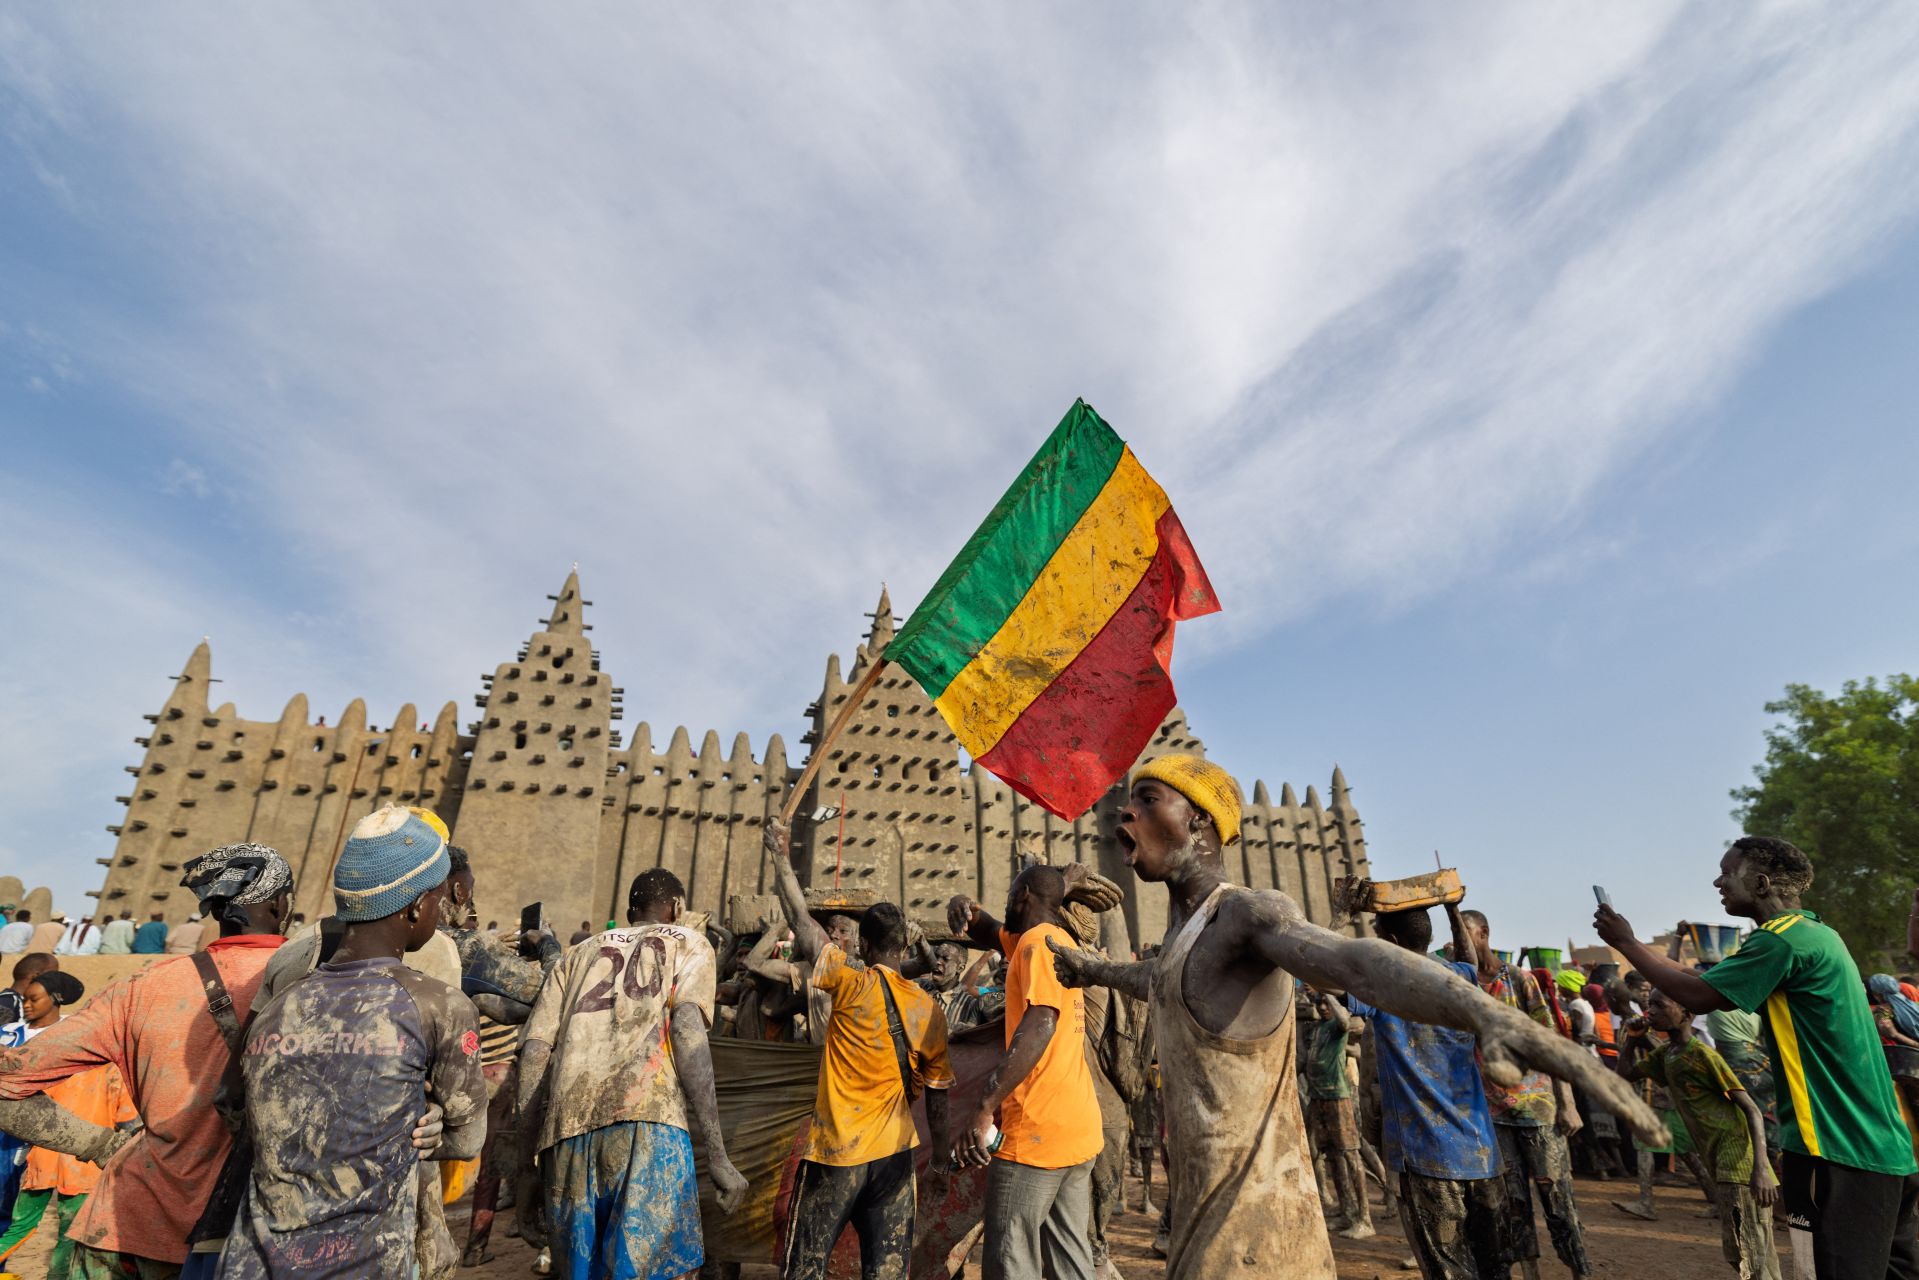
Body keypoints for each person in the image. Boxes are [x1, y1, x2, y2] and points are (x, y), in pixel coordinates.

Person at [1047, 755, 1657, 1280]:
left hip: (1261, 1237)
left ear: (1200, 819)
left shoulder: (1250, 915)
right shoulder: (1185, 933)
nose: (1125, 815)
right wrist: (1087, 969)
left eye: (1147, 800)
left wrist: (1480, 1009)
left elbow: (1353, 962)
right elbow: (1153, 979)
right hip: (1204, 1230)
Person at [1596, 834, 1919, 1279]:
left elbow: (1700, 994)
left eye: (1727, 873)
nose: (1718, 881)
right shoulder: (1815, 934)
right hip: (1886, 1149)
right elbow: (1696, 976)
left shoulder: (1779, 940)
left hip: (1834, 1147)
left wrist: (1627, 944)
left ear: (1762, 883)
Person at [0, 843, 297, 1277]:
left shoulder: (145, 988)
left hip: (129, 1226)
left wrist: (100, 1145)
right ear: (279, 902)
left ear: (216, 911)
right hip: (260, 1235)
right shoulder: (322, 988)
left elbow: (8, 1082)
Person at [214, 808, 486, 1278]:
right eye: (439, 900)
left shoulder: (282, 1000)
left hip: (251, 1261)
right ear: (416, 907)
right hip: (363, 1260)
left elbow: (233, 1102)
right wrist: (423, 1125)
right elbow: (466, 1138)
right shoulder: (438, 1004)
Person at [519, 867, 748, 1280]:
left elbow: (535, 1054)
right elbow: (686, 1029)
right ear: (677, 908)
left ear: (629, 913)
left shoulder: (577, 954)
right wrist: (717, 1153)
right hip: (652, 1123)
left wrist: (526, 1167)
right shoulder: (691, 943)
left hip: (568, 1131)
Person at [764, 821, 953, 1280]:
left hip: (836, 1154)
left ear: (864, 945)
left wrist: (779, 854)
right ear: (902, 945)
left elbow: (801, 924)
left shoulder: (848, 982)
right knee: (886, 1273)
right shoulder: (927, 1009)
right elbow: (940, 1095)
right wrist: (942, 1160)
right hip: (895, 1159)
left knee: (804, 1269)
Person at [948, 864, 1103, 1280]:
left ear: (1024, 896)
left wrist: (984, 1107)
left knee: (1011, 1261)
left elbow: (1041, 1024)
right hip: (1076, 1131)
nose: (1004, 900)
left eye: (1010, 892)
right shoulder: (1054, 940)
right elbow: (991, 930)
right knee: (1071, 1261)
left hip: (1035, 1136)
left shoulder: (1035, 947)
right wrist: (967, 911)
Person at [1350, 903, 1507, 1280]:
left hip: (1426, 1158)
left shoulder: (1380, 984)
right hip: (1482, 1153)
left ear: (1389, 940)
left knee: (1448, 1271)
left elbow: (1319, 975)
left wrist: (1340, 917)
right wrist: (1451, 907)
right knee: (1493, 1268)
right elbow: (1470, 959)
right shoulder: (1461, 976)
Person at [1460, 909, 1591, 1280]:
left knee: (1558, 1199)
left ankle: (1580, 1271)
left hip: (1536, 1108)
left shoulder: (1519, 980)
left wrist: (1567, 1104)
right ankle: (1531, 1272)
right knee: (1512, 1202)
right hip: (1492, 1112)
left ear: (1483, 933)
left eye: (1464, 933)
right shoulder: (1461, 984)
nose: (1458, 942)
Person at [1619, 988, 1781, 1279]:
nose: (1650, 1011)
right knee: (1755, 1254)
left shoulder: (1703, 1056)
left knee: (1747, 1253)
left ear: (1687, 1013)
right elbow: (1626, 1073)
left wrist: (1761, 1170)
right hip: (1720, 1162)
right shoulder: (1667, 1055)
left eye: (1659, 1005)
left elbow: (1752, 1111)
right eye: (1648, 1005)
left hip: (1739, 1162)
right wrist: (1631, 1040)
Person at [0, 972, 139, 1280]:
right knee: (70, 1233)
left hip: (44, 1158)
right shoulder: (109, 1066)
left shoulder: (54, 1056)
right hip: (85, 1163)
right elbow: (128, 1117)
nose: (26, 1005)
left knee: (19, 1227)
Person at [1299, 986, 1374, 1240]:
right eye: (1319, 1003)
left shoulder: (1336, 1027)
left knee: (1351, 1157)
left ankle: (1364, 1218)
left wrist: (1329, 993)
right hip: (1319, 1097)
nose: (1322, 1007)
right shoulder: (1318, 1030)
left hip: (1337, 1098)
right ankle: (1347, 1211)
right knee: (1332, 1156)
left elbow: (1344, 1019)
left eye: (1325, 1004)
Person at [1869, 974, 1919, 1123]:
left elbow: (1888, 1033)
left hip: (1910, 1066)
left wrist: (1897, 1036)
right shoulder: (1913, 1005)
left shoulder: (1883, 1011)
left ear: (1877, 994)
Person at [0, 953, 57, 1028]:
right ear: (36, 976)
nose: (55, 979)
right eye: (53, 974)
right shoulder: (6, 1002)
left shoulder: (20, 1003)